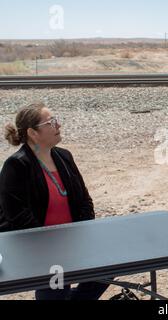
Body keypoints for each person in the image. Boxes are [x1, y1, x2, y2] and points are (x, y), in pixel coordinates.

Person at [0, 102, 109, 300]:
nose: (58, 125)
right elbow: (18, 218)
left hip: (71, 241)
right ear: (33, 133)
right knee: (58, 284)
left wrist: (81, 235)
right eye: (51, 122)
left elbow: (85, 201)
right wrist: (52, 248)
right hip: (37, 249)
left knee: (110, 263)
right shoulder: (16, 165)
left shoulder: (64, 156)